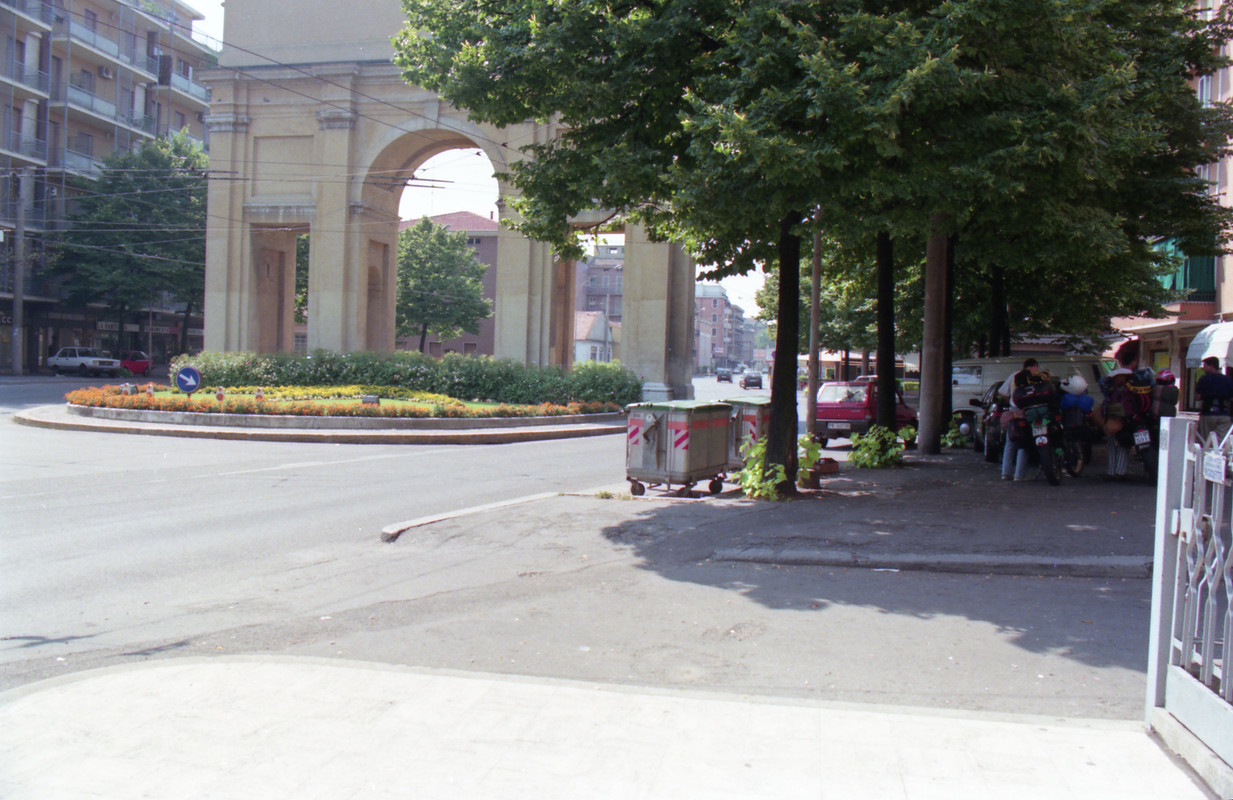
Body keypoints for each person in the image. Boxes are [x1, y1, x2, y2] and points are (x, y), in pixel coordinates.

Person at [1001, 358, 1044, 481]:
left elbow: (1002, 392)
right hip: (1027, 410)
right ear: (1033, 366)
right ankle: (1018, 475)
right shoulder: (1035, 377)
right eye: (1036, 366)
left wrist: (1011, 400)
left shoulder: (1014, 375)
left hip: (1013, 410)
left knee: (1010, 441)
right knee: (1024, 442)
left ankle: (1005, 473)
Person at [1194, 356, 1233, 444]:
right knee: (1222, 443)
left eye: (1205, 365)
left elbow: (1197, 397)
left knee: (1205, 441)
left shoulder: (1204, 379)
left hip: (1208, 413)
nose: (1203, 368)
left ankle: (1205, 453)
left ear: (1211, 366)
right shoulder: (1228, 380)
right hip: (1224, 414)